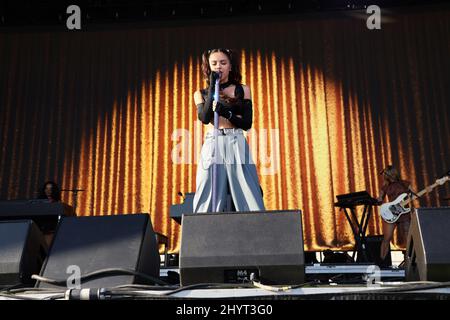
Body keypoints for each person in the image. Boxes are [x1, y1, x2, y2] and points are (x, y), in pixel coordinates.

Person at [193, 48, 265, 213]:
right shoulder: (200, 93)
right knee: (207, 187)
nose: (219, 66)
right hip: (213, 141)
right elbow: (204, 118)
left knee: (247, 188)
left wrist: (228, 113)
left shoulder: (242, 89)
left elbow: (246, 123)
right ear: (208, 67)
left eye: (223, 63)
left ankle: (256, 230)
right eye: (214, 63)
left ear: (230, 66)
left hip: (236, 140)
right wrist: (212, 86)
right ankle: (203, 232)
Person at [377, 165, 415, 265]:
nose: (385, 175)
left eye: (386, 173)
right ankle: (381, 263)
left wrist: (412, 196)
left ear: (393, 173)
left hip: (404, 213)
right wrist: (378, 200)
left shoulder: (405, 183)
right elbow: (380, 199)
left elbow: (414, 194)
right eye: (385, 174)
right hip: (391, 213)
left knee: (408, 238)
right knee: (386, 238)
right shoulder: (385, 186)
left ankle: (409, 264)